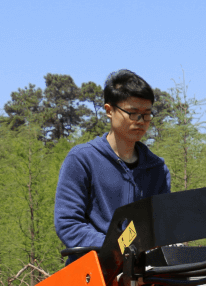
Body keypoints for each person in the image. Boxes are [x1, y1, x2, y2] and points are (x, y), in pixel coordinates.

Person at [54, 70, 171, 259]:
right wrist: (117, 248)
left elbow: (162, 226)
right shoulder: (82, 159)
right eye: (133, 113)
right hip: (93, 272)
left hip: (144, 275)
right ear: (109, 111)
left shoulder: (157, 169)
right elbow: (68, 223)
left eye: (147, 114)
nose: (141, 122)